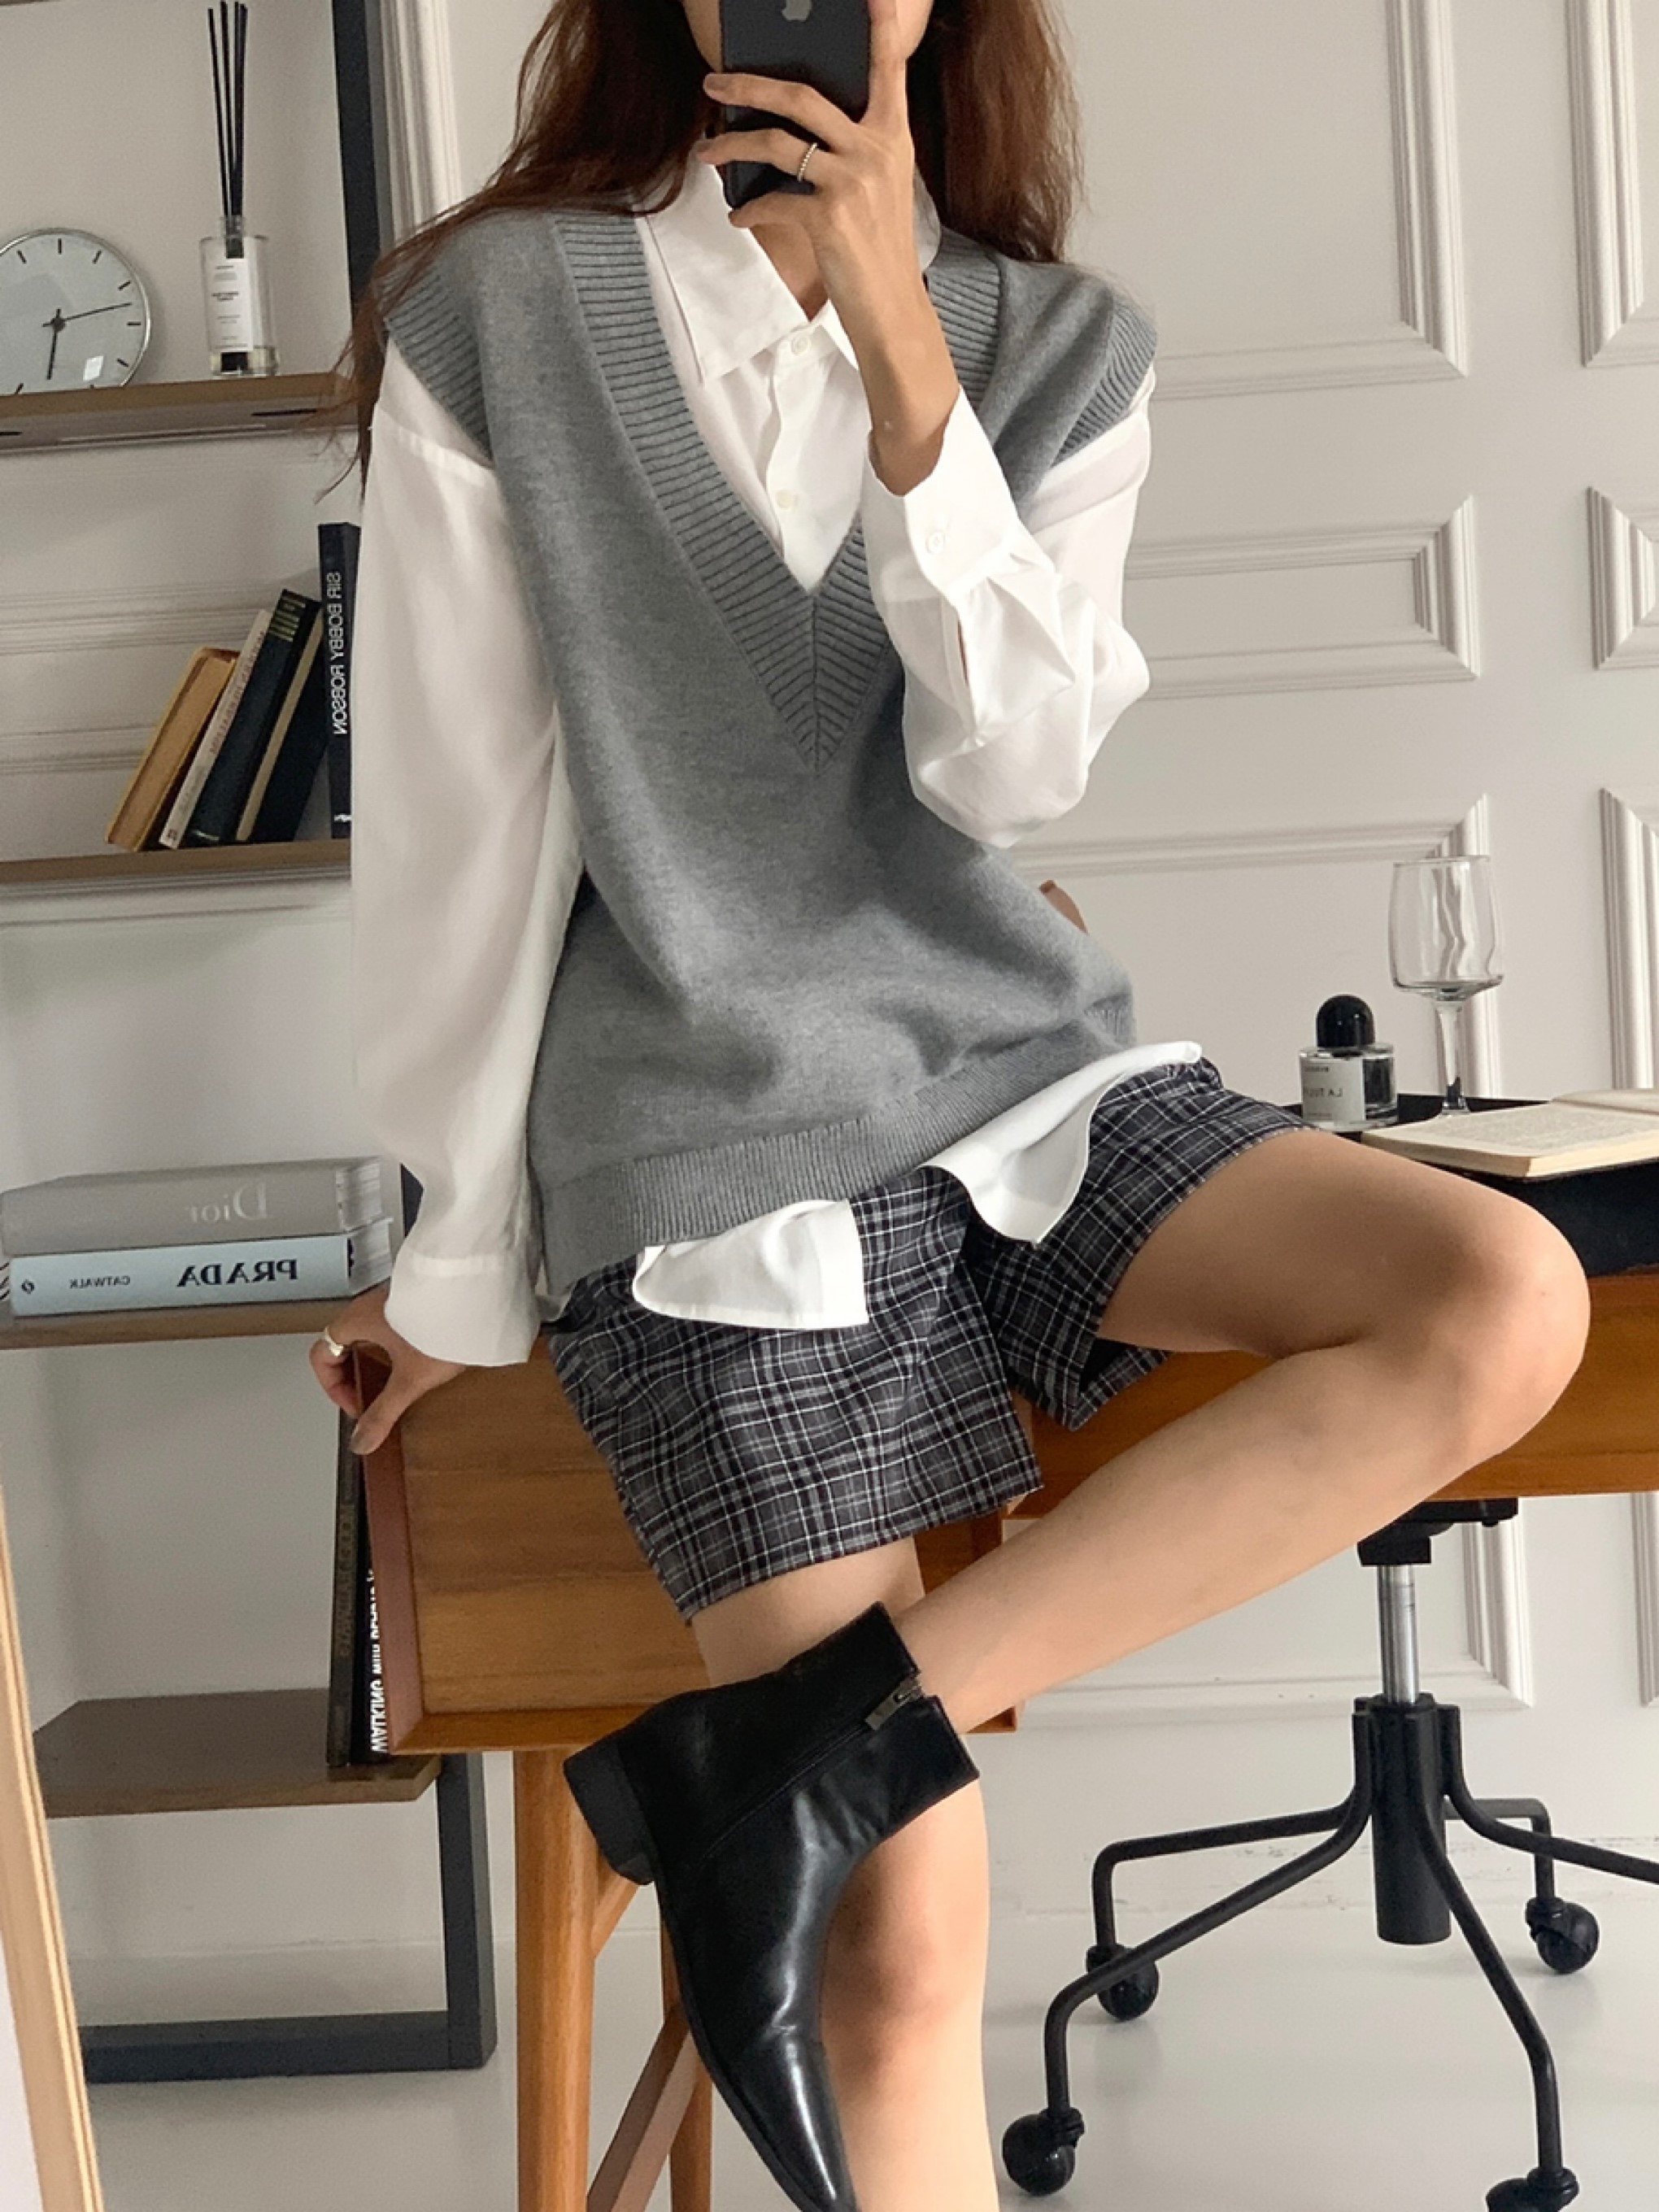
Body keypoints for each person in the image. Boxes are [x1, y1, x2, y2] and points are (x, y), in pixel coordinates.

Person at [308, 3, 1592, 2206]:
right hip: (700, 1129)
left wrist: (906, 345)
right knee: (901, 1938)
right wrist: (458, 1255)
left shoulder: (1060, 345)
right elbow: (460, 821)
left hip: (1019, 1069)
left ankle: (781, 1768)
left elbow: (1013, 776)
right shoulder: (499, 314)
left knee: (1501, 1298)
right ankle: (807, 1787)